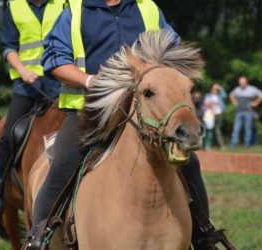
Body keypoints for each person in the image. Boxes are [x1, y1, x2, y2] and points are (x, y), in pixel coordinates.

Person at [25, 0, 210, 249]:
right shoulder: (75, 10)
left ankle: (204, 236)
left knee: (191, 165)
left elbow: (172, 51)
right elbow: (55, 60)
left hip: (141, 112)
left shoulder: (147, 8)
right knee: (63, 163)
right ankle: (38, 237)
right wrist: (90, 81)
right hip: (87, 112)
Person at [0, 0, 64, 214]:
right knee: (9, 133)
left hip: (59, 81)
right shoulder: (15, 6)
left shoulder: (63, 3)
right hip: (27, 85)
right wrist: (23, 71)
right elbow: (8, 47)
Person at [230, 76, 262, 148]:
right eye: (240, 83)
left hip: (249, 112)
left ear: (246, 82)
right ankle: (233, 145)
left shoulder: (252, 89)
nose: (241, 84)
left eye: (242, 82)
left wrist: (256, 102)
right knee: (236, 129)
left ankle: (246, 145)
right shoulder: (237, 89)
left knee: (247, 129)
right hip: (239, 112)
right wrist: (235, 102)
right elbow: (231, 95)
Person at [204, 83, 227, 149]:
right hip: (210, 115)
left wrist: (220, 88)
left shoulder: (220, 96)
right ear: (211, 89)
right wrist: (211, 103)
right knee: (209, 130)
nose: (216, 90)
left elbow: (225, 95)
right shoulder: (208, 95)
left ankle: (221, 145)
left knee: (218, 129)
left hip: (219, 114)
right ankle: (207, 146)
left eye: (217, 89)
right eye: (214, 89)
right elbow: (206, 104)